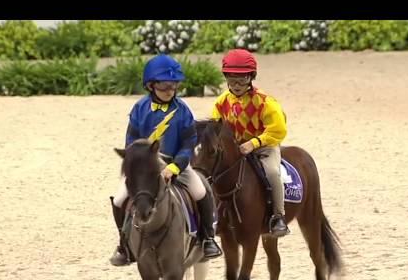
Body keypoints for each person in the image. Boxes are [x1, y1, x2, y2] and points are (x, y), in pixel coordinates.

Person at [109, 54, 222, 266]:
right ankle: (124, 245)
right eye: (164, 87)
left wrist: (174, 166)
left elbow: (189, 143)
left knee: (201, 191)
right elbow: (131, 142)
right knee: (118, 199)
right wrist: (139, 163)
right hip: (146, 167)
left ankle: (207, 239)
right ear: (151, 86)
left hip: (176, 162)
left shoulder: (183, 111)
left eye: (173, 86)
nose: (170, 91)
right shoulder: (139, 109)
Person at [210, 48, 290, 237]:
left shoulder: (265, 102)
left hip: (264, 147)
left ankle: (278, 216)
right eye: (231, 78)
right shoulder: (222, 102)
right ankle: (213, 217)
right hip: (236, 150)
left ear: (251, 77)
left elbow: (278, 129)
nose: (236, 84)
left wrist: (254, 143)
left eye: (242, 79)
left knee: (272, 173)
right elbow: (215, 127)